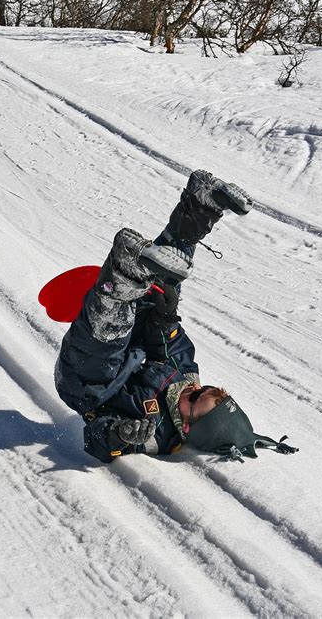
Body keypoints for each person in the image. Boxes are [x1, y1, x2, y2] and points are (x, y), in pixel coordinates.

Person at [55, 171, 298, 463]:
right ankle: (201, 206)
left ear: (186, 427)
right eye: (208, 388)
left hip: (86, 384)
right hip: (129, 351)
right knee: (166, 283)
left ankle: (124, 271)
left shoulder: (157, 435)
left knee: (104, 358)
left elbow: (96, 440)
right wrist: (164, 318)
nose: (195, 387)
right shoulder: (185, 381)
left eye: (196, 398)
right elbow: (172, 348)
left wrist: (119, 434)